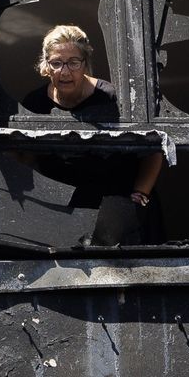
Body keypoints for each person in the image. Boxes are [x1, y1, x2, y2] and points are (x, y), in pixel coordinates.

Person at [20, 23, 161, 245]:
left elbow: (153, 148)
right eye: (56, 63)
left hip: (117, 207)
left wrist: (140, 195)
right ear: (46, 65)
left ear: (85, 63)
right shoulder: (34, 104)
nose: (64, 72)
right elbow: (23, 157)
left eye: (73, 63)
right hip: (61, 211)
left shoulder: (113, 98)